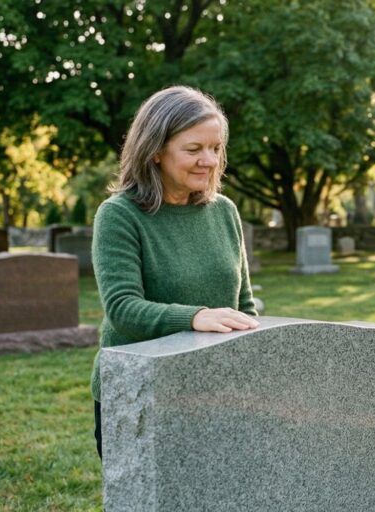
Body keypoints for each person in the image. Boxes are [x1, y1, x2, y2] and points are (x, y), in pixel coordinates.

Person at [90, 86, 260, 457]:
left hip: (217, 390)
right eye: (194, 149)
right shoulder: (119, 215)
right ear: (155, 151)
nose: (209, 160)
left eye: (216, 148)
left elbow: (244, 305)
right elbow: (122, 308)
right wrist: (195, 317)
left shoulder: (224, 211)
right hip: (140, 392)